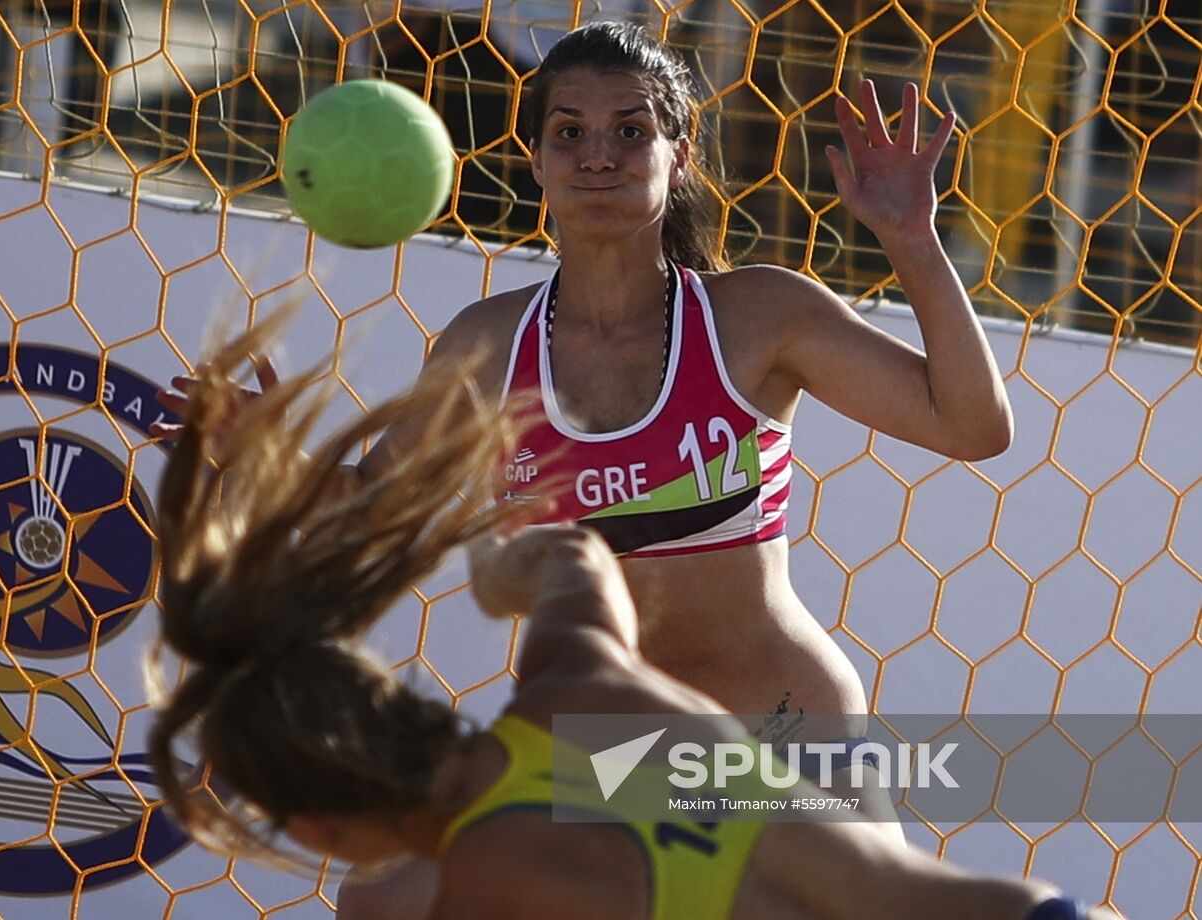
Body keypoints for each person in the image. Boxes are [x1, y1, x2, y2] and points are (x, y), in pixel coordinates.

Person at [157, 17, 1010, 843]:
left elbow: (973, 427)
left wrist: (912, 239)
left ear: (681, 159)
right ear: (535, 160)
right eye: (569, 131)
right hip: (608, 755)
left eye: (630, 129)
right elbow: (371, 503)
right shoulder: (487, 345)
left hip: (781, 730)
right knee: (387, 901)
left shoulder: (758, 316)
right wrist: (265, 454)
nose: (598, 153)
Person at [147, 326, 1105, 920]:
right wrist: (508, 573)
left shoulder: (494, 881)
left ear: (317, 826)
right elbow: (576, 558)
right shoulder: (576, 685)